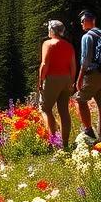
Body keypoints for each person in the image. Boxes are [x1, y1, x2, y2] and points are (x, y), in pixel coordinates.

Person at [37, 19, 76, 149]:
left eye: (49, 29)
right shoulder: (68, 45)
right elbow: (73, 65)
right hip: (66, 79)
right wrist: (71, 81)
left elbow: (44, 64)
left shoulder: (47, 44)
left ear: (53, 31)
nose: (48, 31)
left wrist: (41, 81)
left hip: (52, 79)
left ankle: (53, 141)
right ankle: (64, 143)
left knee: (46, 109)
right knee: (64, 111)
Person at [74, 9, 101, 143]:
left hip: (93, 73)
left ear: (89, 20)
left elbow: (85, 60)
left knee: (80, 99)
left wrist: (79, 79)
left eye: (82, 21)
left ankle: (89, 130)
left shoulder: (87, 36)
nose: (81, 24)